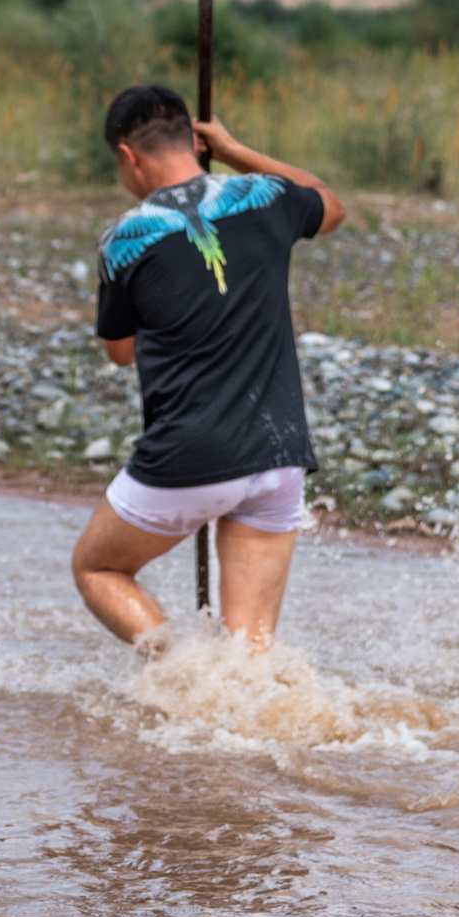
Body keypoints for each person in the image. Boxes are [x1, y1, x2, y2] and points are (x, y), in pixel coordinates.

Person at [69, 85, 344, 655]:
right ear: (197, 141)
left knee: (97, 568)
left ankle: (181, 674)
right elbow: (330, 203)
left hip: (189, 457)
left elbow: (120, 352)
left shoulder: (124, 240)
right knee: (251, 650)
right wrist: (236, 150)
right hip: (279, 453)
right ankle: (239, 706)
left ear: (127, 156)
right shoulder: (266, 196)